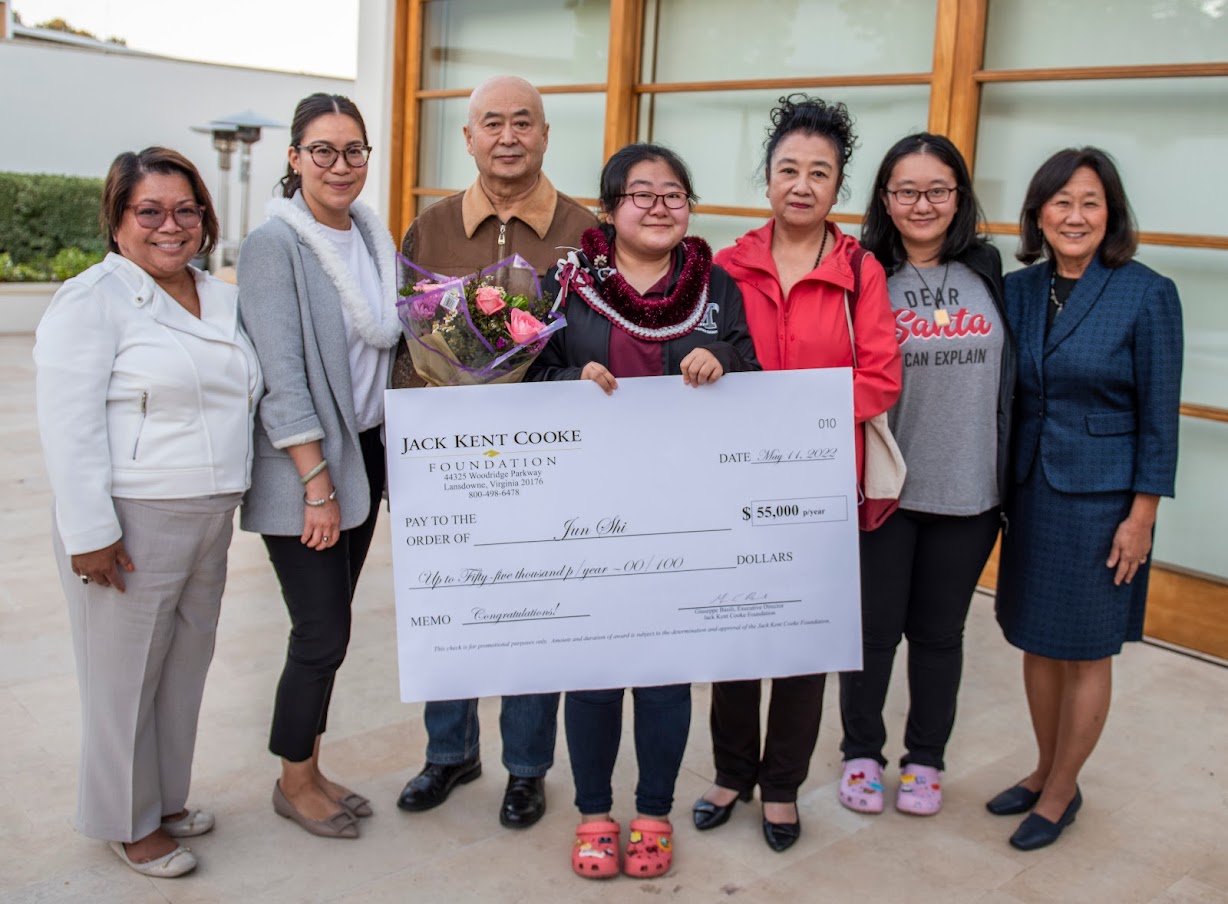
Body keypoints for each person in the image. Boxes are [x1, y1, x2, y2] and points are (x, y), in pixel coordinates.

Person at [527, 142, 759, 879]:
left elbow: (753, 370)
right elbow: (523, 370)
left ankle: (654, 810)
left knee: (664, 672)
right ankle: (595, 812)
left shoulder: (715, 286)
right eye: (641, 194)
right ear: (609, 208)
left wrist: (720, 360)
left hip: (682, 510)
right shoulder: (565, 283)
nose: (659, 207)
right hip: (584, 509)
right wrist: (571, 374)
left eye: (674, 194)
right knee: (593, 669)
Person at [34, 147, 263, 877]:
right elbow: (67, 426)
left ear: (205, 217)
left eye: (186, 209)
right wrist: (91, 533)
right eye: (150, 210)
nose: (172, 225)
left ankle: (163, 798)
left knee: (182, 669)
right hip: (132, 519)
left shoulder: (219, 296)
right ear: (118, 217)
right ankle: (125, 822)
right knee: (123, 677)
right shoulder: (90, 301)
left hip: (209, 513)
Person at [695, 95, 900, 852]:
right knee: (737, 634)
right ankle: (730, 773)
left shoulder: (860, 271)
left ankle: (781, 786)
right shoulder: (721, 266)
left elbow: (880, 376)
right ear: (767, 178)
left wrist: (795, 410)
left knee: (803, 645)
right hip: (736, 485)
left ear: (838, 187)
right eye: (789, 169)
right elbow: (695, 361)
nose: (803, 185)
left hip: (819, 485)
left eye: (821, 172)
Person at [393, 75, 596, 830]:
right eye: (491, 123)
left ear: (545, 136)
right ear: (469, 138)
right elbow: (408, 353)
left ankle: (526, 767)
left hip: (549, 463)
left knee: (532, 613)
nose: (507, 136)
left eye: (523, 123)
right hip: (449, 465)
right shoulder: (430, 228)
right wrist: (409, 464)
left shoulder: (586, 231)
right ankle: (448, 752)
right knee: (451, 604)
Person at [987, 147, 1182, 851]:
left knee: (1087, 651)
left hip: (1103, 501)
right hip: (1032, 491)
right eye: (1061, 202)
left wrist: (1143, 516)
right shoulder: (1018, 290)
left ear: (1111, 214)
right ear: (1039, 213)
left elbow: (1161, 416)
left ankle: (1065, 791)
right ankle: (1043, 770)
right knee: (1036, 641)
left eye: (1090, 202)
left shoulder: (1147, 292)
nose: (1075, 215)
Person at [237, 93, 401, 839]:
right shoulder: (278, 245)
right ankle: (292, 782)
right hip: (311, 468)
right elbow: (282, 377)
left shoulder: (371, 238)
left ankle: (309, 767)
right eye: (324, 151)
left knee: (329, 631)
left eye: (354, 150)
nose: (341, 165)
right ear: (295, 159)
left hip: (364, 455)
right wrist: (315, 485)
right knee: (320, 632)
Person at [836, 133, 1014, 818]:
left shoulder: (989, 271)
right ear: (885, 198)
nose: (922, 203)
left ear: (959, 198)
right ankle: (861, 752)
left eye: (937, 190)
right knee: (873, 633)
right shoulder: (864, 270)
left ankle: (925, 760)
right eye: (906, 190)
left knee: (940, 636)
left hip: (970, 491)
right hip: (889, 487)